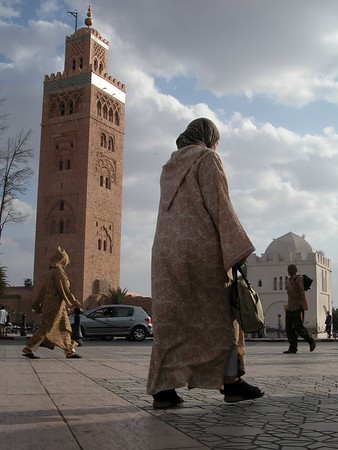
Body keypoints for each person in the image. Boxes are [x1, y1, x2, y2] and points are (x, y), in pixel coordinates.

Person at [147, 117, 264, 409]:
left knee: (172, 321)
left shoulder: (169, 167)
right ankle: (232, 383)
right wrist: (238, 250)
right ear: (209, 137)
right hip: (201, 250)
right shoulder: (207, 158)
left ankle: (163, 390)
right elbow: (219, 203)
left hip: (165, 252)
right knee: (220, 318)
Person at [22, 247, 82, 359]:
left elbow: (43, 291)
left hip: (58, 307)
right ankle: (28, 347)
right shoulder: (58, 272)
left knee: (65, 327)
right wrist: (74, 301)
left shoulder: (51, 272)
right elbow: (63, 288)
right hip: (54, 307)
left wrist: (37, 304)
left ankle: (69, 351)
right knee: (46, 328)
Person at [283, 264, 316, 354]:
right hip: (290, 307)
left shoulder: (299, 278)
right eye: (288, 269)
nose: (288, 271)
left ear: (294, 270)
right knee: (289, 328)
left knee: (298, 327)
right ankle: (293, 347)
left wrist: (301, 303)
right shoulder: (289, 280)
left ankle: (310, 340)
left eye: (290, 269)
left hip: (298, 306)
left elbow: (301, 291)